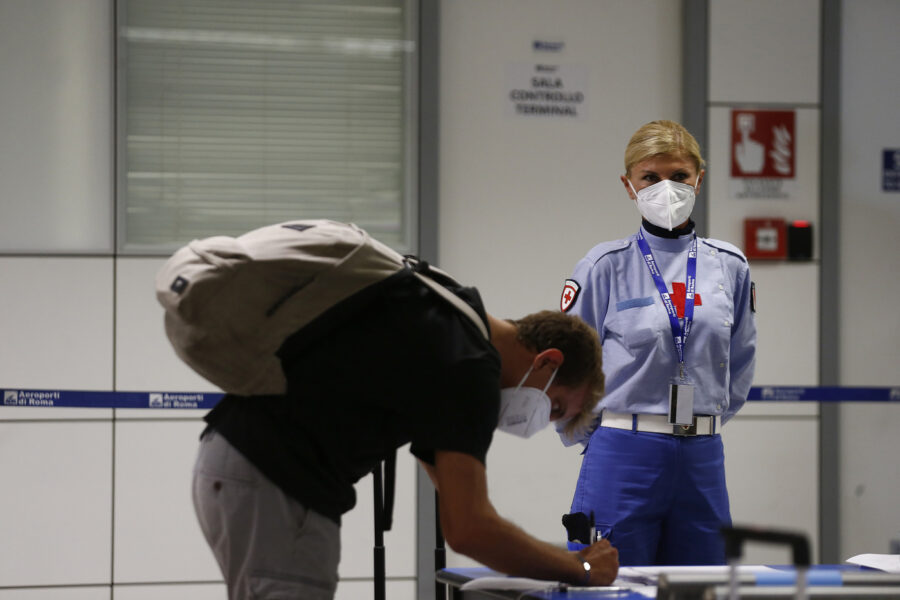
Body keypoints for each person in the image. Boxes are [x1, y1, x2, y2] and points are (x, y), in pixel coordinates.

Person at [191, 261, 619, 599]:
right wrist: (579, 568)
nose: (542, 421)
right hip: (277, 481)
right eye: (555, 407)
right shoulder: (472, 369)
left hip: (238, 462)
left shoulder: (454, 315)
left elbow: (451, 486)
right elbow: (469, 529)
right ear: (547, 361)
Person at [559, 120, 756, 566]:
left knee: (702, 588)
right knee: (610, 588)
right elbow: (569, 366)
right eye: (650, 177)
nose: (666, 188)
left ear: (699, 180)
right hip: (623, 451)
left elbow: (741, 360)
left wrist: (704, 419)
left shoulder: (730, 266)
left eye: (679, 176)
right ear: (630, 186)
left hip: (702, 453)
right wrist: (603, 433)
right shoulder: (603, 266)